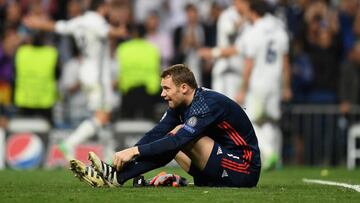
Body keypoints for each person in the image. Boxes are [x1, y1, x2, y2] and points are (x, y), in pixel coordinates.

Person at [69, 64, 261, 188]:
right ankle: (113, 176)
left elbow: (178, 140)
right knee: (170, 136)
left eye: (166, 88)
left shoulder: (206, 104)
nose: (162, 94)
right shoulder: (181, 104)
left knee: (179, 136)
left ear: (183, 88)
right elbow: (157, 134)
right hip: (218, 163)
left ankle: (117, 178)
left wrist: (134, 151)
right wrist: (120, 161)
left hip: (243, 168)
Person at [23, 0, 127, 160]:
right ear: (102, 7)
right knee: (102, 115)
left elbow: (57, 26)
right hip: (98, 75)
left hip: (84, 71)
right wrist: (119, 31)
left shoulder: (79, 21)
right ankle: (70, 143)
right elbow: (109, 32)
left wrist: (36, 23)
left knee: (101, 116)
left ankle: (108, 154)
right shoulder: (97, 22)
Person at [235, 0, 292, 170]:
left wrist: (242, 89)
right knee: (271, 122)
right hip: (275, 84)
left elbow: (249, 64)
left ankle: (268, 153)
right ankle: (276, 159)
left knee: (252, 120)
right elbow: (285, 61)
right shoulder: (280, 29)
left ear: (253, 12)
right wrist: (287, 86)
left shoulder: (254, 31)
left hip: (258, 84)